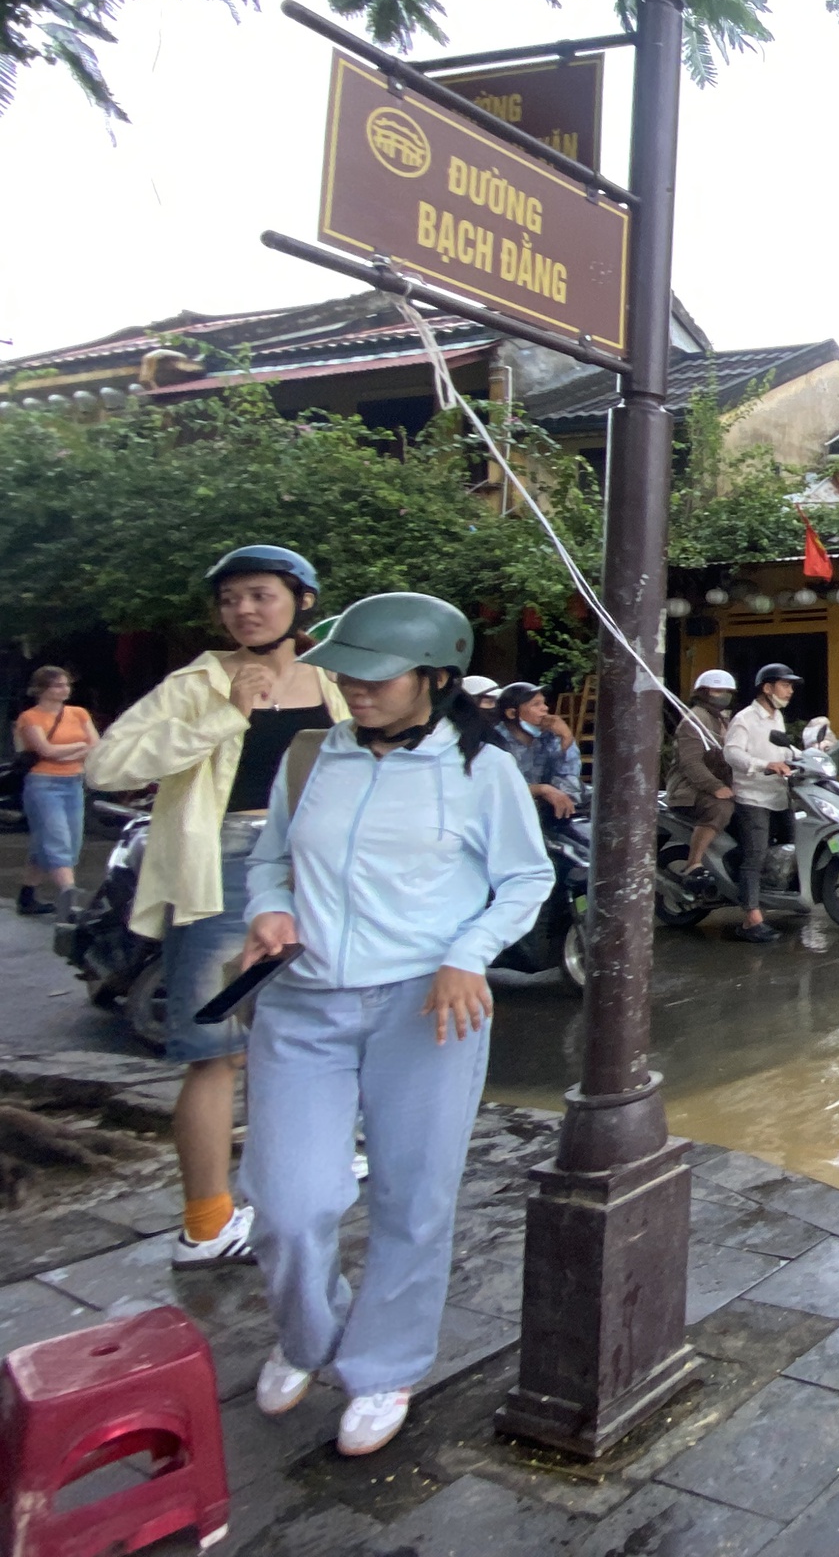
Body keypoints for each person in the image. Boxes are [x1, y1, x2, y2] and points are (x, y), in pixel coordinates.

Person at [235, 591, 547, 1458]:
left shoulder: (482, 770)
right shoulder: (309, 757)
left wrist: (467, 954)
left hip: (427, 1008)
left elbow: (526, 880)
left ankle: (384, 1365)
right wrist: (268, 910)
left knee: (413, 1196)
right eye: (346, 675)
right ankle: (307, 1336)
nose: (356, 690)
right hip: (303, 1002)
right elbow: (270, 861)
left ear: (436, 678)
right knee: (288, 1202)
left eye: (377, 676)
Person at [87, 546, 346, 1269]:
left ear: (302, 600)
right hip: (224, 870)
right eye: (230, 599)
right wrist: (224, 716)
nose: (243, 610)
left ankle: (296, 1174)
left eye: (260, 595)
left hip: (319, 869)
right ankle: (206, 1223)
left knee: (303, 1034)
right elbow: (106, 766)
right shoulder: (196, 683)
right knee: (216, 1051)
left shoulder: (334, 679)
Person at [722, 663, 799, 946]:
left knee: (792, 846)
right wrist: (764, 764)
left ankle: (782, 898)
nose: (790, 691)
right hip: (753, 797)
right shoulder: (745, 719)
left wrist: (808, 756)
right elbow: (732, 754)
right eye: (785, 685)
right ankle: (751, 918)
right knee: (755, 855)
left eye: (791, 686)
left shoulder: (777, 717)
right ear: (767, 688)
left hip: (779, 795)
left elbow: (783, 749)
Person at [15, 666, 95, 915]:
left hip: (74, 782)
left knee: (63, 841)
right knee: (57, 840)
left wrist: (69, 752)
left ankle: (27, 896)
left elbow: (96, 744)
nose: (65, 690)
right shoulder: (30, 717)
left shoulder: (79, 713)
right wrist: (80, 746)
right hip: (44, 784)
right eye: (58, 685)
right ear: (42, 689)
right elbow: (46, 750)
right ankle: (69, 897)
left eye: (67, 685)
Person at [666, 669, 737, 886]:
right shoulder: (695, 719)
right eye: (717, 691)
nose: (723, 695)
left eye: (727, 691)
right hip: (689, 789)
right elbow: (690, 762)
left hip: (717, 784)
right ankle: (693, 863)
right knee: (720, 808)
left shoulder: (722, 719)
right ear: (703, 693)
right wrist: (715, 786)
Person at [493, 682, 581, 819]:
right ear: (512, 713)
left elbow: (568, 777)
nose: (545, 708)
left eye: (544, 703)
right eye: (536, 704)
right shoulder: (495, 743)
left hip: (546, 812)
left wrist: (566, 738)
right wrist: (541, 789)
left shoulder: (549, 736)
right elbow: (499, 789)